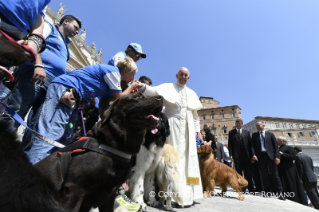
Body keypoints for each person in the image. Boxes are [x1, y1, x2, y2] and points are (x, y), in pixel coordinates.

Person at [27, 57, 139, 164]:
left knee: (66, 135)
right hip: (66, 89)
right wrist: (131, 87)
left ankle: (48, 166)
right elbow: (119, 98)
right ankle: (34, 168)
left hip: (75, 98)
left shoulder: (111, 81)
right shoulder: (113, 72)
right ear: (125, 71)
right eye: (133, 74)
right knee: (51, 131)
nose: (133, 78)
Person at [1, 15, 81, 134]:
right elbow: (35, 41)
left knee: (36, 125)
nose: (77, 31)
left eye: (78, 30)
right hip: (35, 75)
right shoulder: (50, 28)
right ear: (65, 22)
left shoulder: (67, 49)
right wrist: (38, 65)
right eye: (75, 27)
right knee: (17, 111)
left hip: (52, 85)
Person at [137, 67, 203, 207]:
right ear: (176, 75)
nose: (183, 77)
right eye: (181, 74)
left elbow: (195, 116)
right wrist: (141, 86)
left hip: (188, 130)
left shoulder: (192, 93)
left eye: (185, 75)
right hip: (171, 127)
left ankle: (186, 197)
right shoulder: (167, 87)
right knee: (169, 159)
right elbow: (154, 92)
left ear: (188, 78)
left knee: (186, 162)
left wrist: (197, 130)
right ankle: (168, 196)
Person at [251, 122, 285, 200]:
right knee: (264, 175)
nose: (257, 127)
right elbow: (252, 146)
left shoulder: (270, 134)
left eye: (259, 125)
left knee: (275, 175)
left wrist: (277, 157)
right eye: (256, 126)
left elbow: (276, 147)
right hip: (260, 157)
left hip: (271, 157)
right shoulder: (254, 135)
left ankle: (280, 193)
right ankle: (267, 192)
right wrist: (253, 155)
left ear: (263, 126)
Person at [276, 137, 307, 205]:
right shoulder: (278, 148)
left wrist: (282, 154)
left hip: (288, 169)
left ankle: (294, 199)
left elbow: (293, 157)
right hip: (281, 169)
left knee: (290, 183)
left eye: (278, 140)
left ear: (283, 141)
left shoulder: (288, 147)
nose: (277, 141)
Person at [228, 119, 254, 192]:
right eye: (237, 123)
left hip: (246, 155)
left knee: (248, 172)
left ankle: (250, 188)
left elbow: (250, 144)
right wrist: (231, 154)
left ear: (242, 124)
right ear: (235, 124)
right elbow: (230, 144)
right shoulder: (231, 132)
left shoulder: (247, 132)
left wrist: (252, 155)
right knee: (239, 172)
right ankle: (241, 188)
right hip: (237, 155)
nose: (238, 125)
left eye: (240, 123)